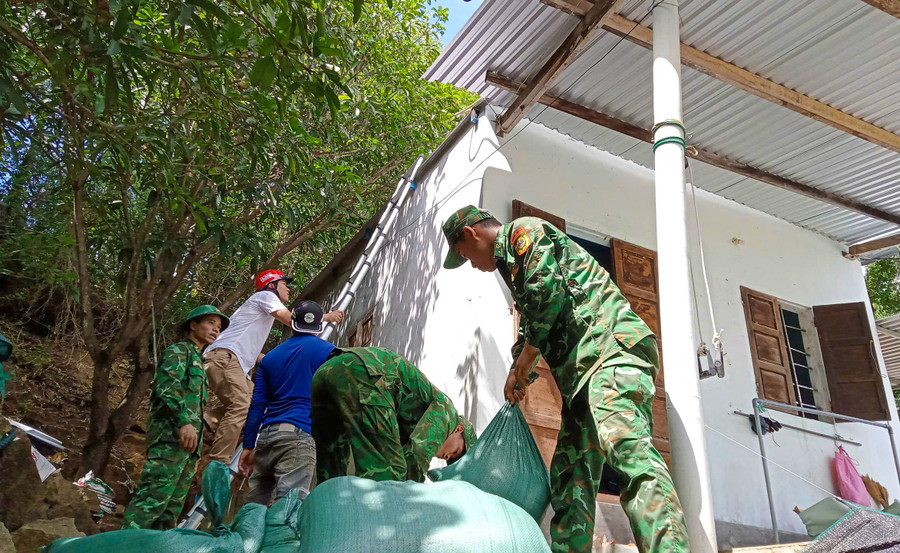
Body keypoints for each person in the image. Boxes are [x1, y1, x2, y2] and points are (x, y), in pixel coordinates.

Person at [441, 205, 689, 553]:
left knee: (627, 449)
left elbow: (546, 296)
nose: (474, 266)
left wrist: (526, 361)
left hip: (611, 353)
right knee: (571, 477)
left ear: (470, 234)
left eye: (466, 257)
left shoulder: (524, 233)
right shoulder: (514, 269)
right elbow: (530, 323)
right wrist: (517, 367)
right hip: (582, 376)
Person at [203, 269, 343, 463]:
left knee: (256, 404)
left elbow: (257, 355)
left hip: (229, 361)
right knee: (241, 405)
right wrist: (325, 317)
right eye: (284, 284)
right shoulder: (265, 296)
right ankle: (219, 461)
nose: (288, 289)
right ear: (271, 285)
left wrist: (278, 361)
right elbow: (291, 319)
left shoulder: (255, 314)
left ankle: (206, 433)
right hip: (226, 358)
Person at [122, 305, 229, 530]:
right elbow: (167, 388)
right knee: (151, 502)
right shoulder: (178, 351)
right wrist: (184, 422)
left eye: (218, 327)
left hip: (188, 448)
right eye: (210, 323)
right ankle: (122, 546)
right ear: (193, 324)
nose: (215, 330)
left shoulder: (199, 360)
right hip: (170, 441)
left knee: (170, 511)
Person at [310, 346, 476, 483]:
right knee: (389, 475)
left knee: (331, 471)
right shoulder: (448, 413)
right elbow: (416, 457)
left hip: (327, 371)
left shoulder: (417, 421)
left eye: (450, 460)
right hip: (365, 373)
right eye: (456, 451)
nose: (447, 457)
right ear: (458, 429)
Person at [237, 301, 336, 504]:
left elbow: (257, 405)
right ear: (319, 326)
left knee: (254, 508)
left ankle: (247, 536)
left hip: (266, 437)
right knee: (288, 507)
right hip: (299, 434)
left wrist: (248, 446)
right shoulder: (329, 352)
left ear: (292, 323)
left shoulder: (269, 358)